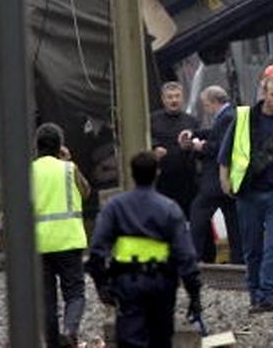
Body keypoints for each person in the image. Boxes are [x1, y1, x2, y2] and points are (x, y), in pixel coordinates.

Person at [86, 151, 202, 348]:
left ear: (132, 173)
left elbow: (97, 250)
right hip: (162, 284)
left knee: (130, 339)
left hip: (127, 284)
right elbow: (186, 255)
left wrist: (102, 286)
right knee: (160, 338)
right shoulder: (169, 208)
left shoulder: (116, 207)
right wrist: (194, 295)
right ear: (157, 173)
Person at [217, 65, 273, 311]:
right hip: (248, 193)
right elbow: (226, 153)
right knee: (253, 248)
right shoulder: (244, 118)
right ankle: (255, 294)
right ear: (264, 94)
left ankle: (268, 293)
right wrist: (225, 180)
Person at [33, 123, 90, 348]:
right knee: (75, 293)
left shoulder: (28, 172)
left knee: (47, 300)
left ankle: (53, 344)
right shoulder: (69, 169)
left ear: (37, 146)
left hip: (39, 244)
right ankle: (70, 330)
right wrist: (67, 160)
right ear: (60, 146)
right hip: (69, 240)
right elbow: (85, 191)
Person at [179, 85, 243, 264]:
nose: (205, 109)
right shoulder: (228, 116)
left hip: (215, 182)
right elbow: (214, 134)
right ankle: (239, 260)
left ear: (215, 102)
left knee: (197, 215)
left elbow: (220, 147)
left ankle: (193, 258)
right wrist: (194, 133)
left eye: (206, 105)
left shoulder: (227, 117)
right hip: (226, 182)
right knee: (234, 222)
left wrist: (200, 146)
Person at [151, 81, 199, 215]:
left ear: (182, 98)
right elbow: (145, 141)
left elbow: (199, 145)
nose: (174, 100)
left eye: (177, 96)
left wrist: (191, 146)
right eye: (170, 97)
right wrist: (154, 150)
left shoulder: (191, 121)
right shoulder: (153, 119)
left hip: (187, 180)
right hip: (162, 180)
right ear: (163, 99)